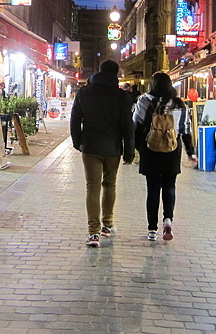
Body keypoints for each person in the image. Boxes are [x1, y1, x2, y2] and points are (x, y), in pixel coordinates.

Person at [70, 60, 135, 248]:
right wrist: (129, 151)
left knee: (92, 187)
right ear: (115, 74)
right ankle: (107, 224)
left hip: (90, 146)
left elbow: (75, 120)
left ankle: (93, 233)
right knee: (109, 184)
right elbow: (127, 126)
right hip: (113, 148)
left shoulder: (84, 93)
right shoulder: (121, 96)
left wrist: (78, 142)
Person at [133, 71, 193, 242]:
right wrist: (190, 152)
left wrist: (137, 148)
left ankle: (152, 230)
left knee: (152, 190)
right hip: (172, 150)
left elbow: (136, 124)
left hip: (150, 149)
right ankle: (168, 220)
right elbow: (185, 130)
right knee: (169, 186)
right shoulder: (179, 104)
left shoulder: (145, 101)